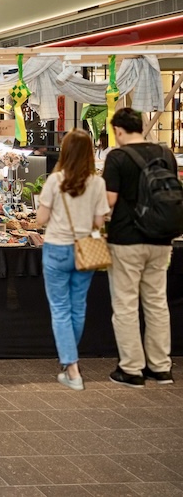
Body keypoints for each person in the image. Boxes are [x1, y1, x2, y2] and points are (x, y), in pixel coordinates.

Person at [103, 108, 177, 387]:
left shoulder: (117, 157)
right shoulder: (165, 154)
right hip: (161, 239)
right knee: (157, 302)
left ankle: (131, 369)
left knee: (126, 303)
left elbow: (109, 200)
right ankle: (161, 367)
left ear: (119, 130)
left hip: (127, 239)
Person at [34, 129, 110, 391]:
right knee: (78, 307)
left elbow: (41, 220)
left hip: (56, 248)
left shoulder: (55, 180)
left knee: (60, 308)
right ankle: (69, 362)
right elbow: (99, 221)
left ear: (65, 152)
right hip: (85, 249)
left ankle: (72, 368)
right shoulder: (97, 183)